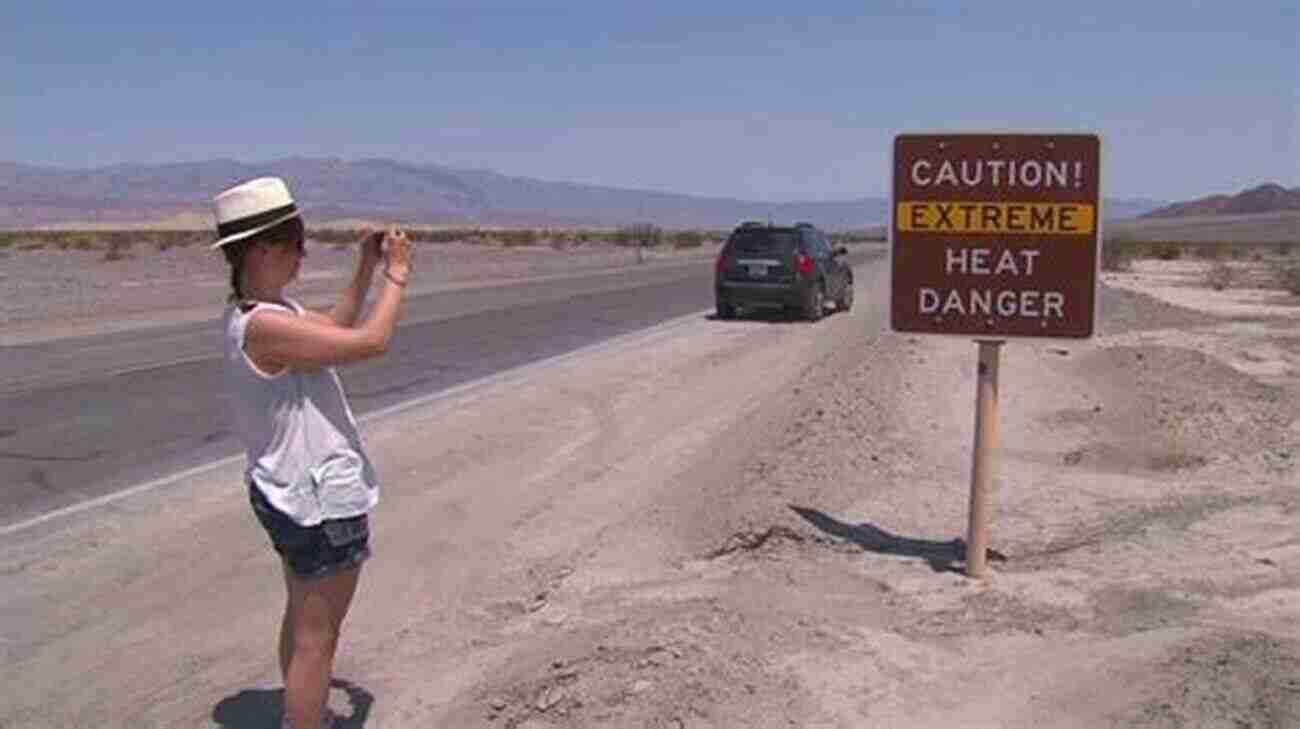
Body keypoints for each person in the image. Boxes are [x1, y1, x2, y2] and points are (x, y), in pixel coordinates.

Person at [212, 177, 412, 729]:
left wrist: (365, 268)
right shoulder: (266, 327)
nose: (302, 258)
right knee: (318, 640)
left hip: (288, 491)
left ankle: (304, 716)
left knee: (304, 623)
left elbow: (336, 324)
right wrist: (398, 274)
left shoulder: (261, 313)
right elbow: (370, 342)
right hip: (317, 498)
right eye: (296, 246)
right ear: (264, 249)